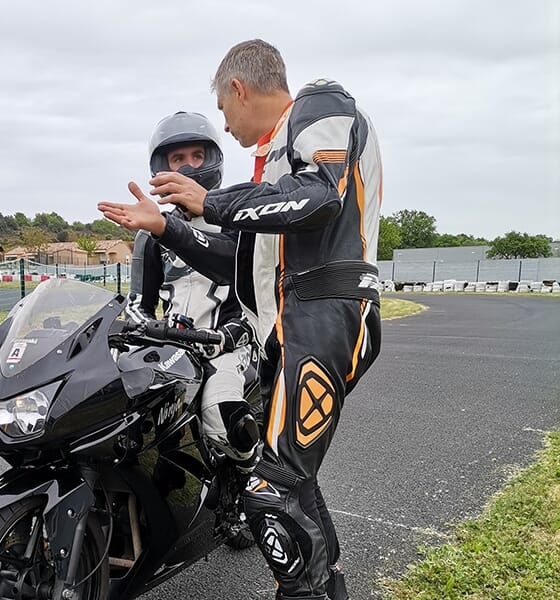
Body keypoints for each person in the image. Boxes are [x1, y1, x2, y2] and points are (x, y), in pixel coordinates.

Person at [99, 39, 382, 600]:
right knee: (292, 481)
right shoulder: (275, 163)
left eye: (224, 114)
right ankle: (325, 585)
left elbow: (320, 199)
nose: (225, 129)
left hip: (325, 312)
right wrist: (167, 230)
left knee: (270, 490)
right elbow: (238, 259)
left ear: (238, 88)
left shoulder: (320, 104)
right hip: (292, 323)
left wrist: (214, 204)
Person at [127, 111, 260, 503]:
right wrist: (135, 328)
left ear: (213, 160)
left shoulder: (241, 223)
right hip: (171, 349)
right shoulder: (151, 234)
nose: (187, 167)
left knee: (220, 416)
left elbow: (254, 296)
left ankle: (254, 485)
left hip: (230, 345)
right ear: (160, 167)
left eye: (197, 157)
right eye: (177, 159)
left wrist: (232, 334)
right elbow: (139, 303)